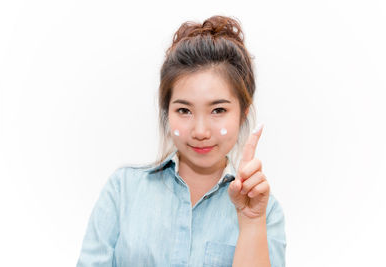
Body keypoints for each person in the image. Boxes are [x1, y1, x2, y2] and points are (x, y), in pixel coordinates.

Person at [76, 15, 286, 267]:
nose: (200, 131)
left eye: (218, 110)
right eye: (184, 110)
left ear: (242, 113)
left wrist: (251, 221)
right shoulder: (123, 191)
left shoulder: (265, 212)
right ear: (167, 112)